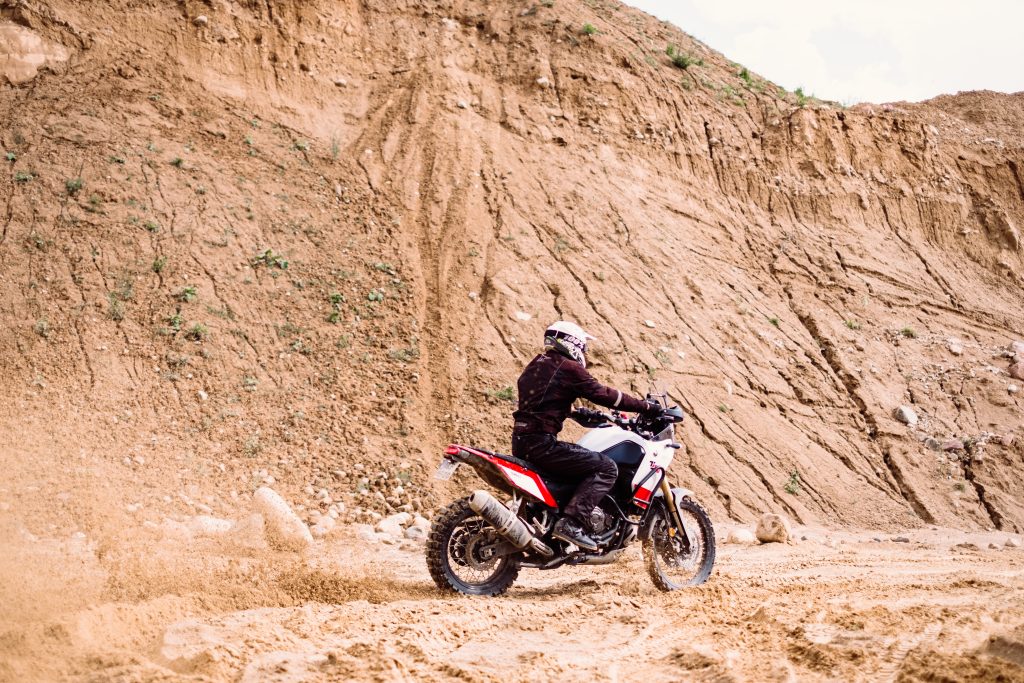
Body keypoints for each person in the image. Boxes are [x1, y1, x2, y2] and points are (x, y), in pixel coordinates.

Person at [511, 320, 661, 551]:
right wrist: (646, 407)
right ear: (573, 344)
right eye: (583, 347)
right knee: (606, 468)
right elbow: (603, 394)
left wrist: (575, 413)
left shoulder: (537, 365)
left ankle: (556, 519)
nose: (584, 352)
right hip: (542, 444)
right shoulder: (568, 367)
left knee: (577, 467)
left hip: (523, 441)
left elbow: (543, 403)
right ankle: (571, 524)